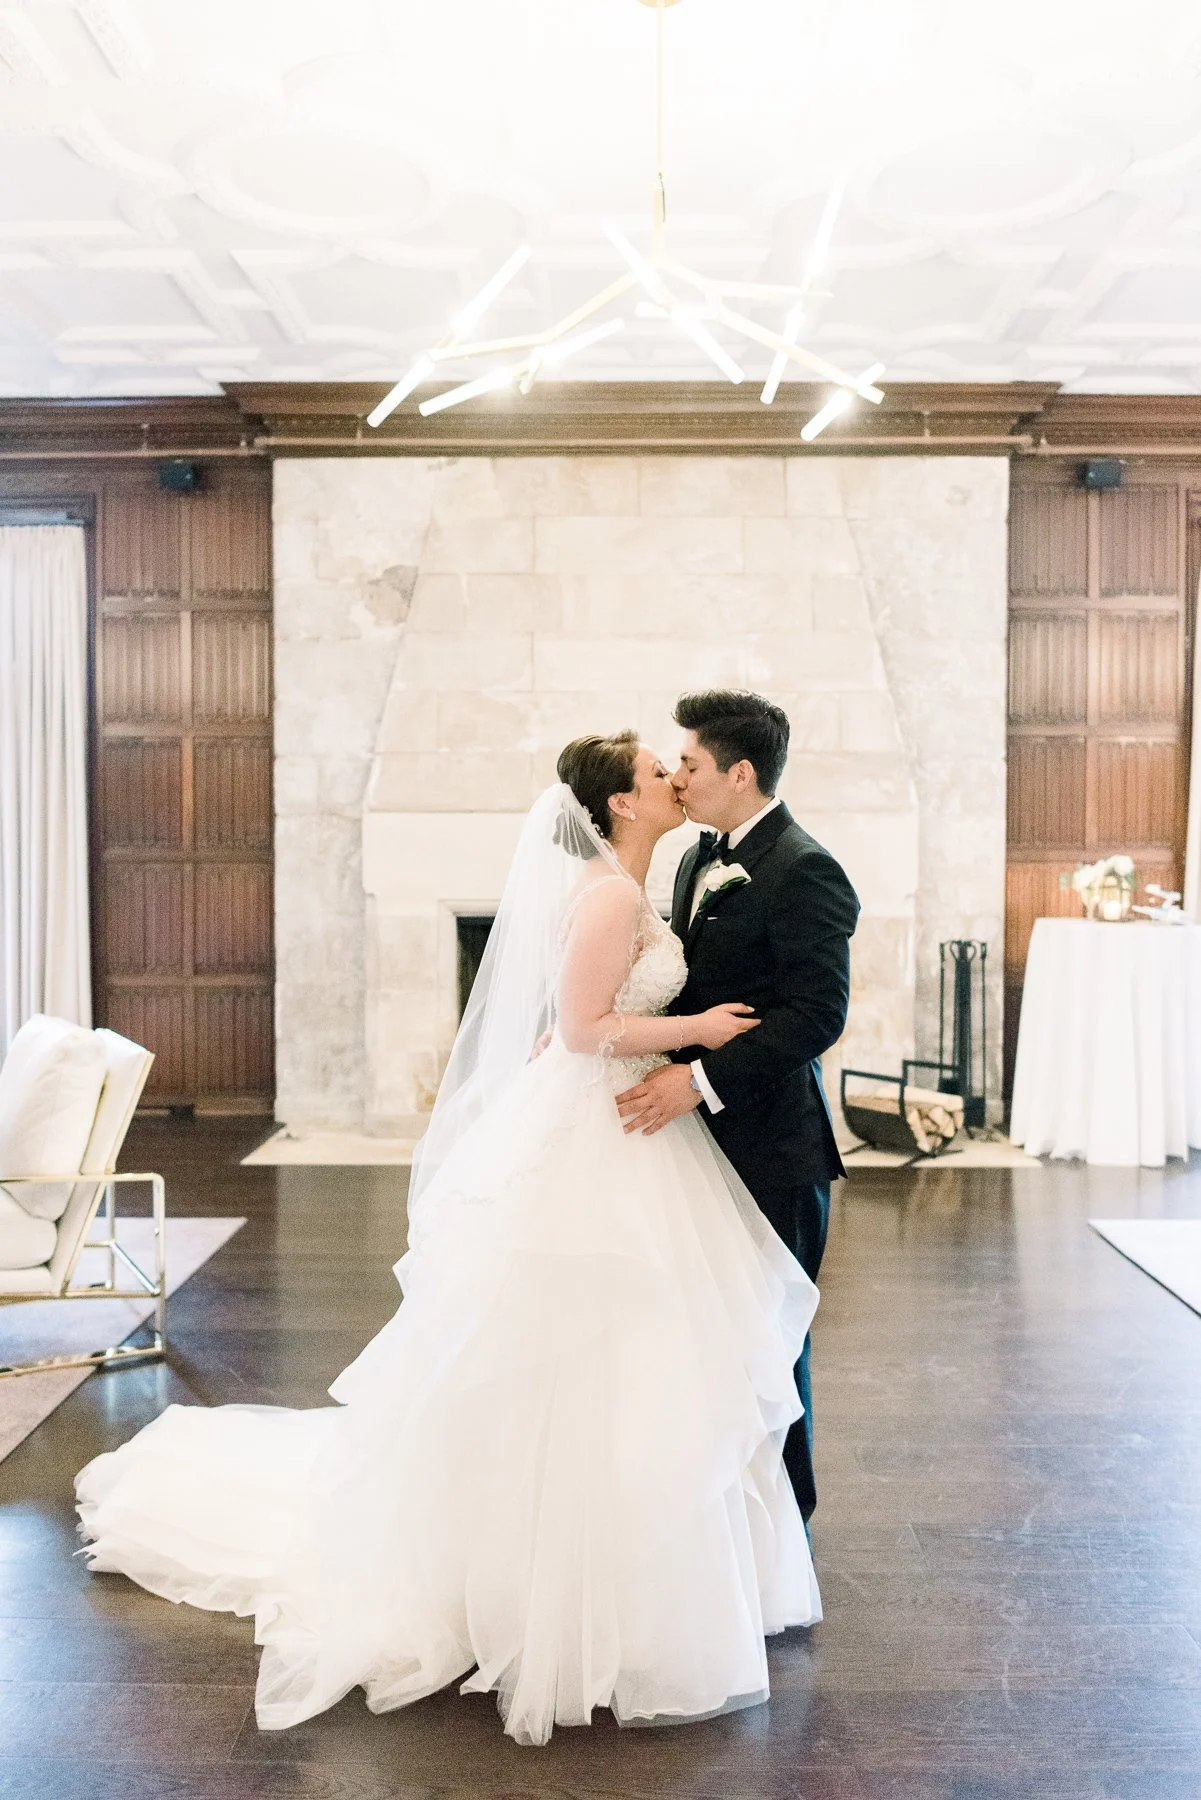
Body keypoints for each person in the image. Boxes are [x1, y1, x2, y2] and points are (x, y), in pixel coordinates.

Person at [75, 731, 822, 1748]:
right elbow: (578, 1023)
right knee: (576, 1344)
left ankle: (624, 1566)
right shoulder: (608, 894)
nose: (672, 777)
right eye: (656, 772)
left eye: (676, 764)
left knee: (637, 1351)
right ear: (618, 805)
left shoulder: (651, 878)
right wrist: (701, 1034)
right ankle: (548, 1583)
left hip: (623, 1126)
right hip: (600, 1123)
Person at [615, 692, 860, 1525]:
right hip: (694, 1146)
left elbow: (814, 1015)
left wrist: (698, 1081)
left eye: (690, 763)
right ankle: (718, 1520)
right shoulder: (694, 857)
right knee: (702, 1337)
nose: (678, 777)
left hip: (771, 1143)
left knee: (768, 1340)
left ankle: (783, 1525)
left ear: (739, 772)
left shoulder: (803, 867)